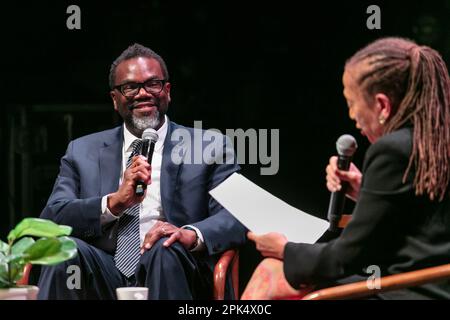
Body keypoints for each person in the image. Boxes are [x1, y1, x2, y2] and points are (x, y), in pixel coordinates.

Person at [241, 37, 450, 300]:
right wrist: (366, 191)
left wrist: (286, 249)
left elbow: (347, 257)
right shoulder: (434, 144)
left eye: (352, 103)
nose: (352, 116)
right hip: (433, 283)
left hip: (411, 290)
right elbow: (425, 221)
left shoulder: (392, 150)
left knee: (271, 272)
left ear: (382, 105)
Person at [37, 43, 246, 299]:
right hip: (103, 271)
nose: (143, 93)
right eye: (130, 87)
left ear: (167, 91)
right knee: (64, 249)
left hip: (174, 270)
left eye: (153, 84)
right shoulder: (82, 151)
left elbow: (235, 217)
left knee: (164, 248)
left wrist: (189, 234)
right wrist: (114, 203)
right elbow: (54, 217)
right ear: (115, 99)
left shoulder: (208, 146)